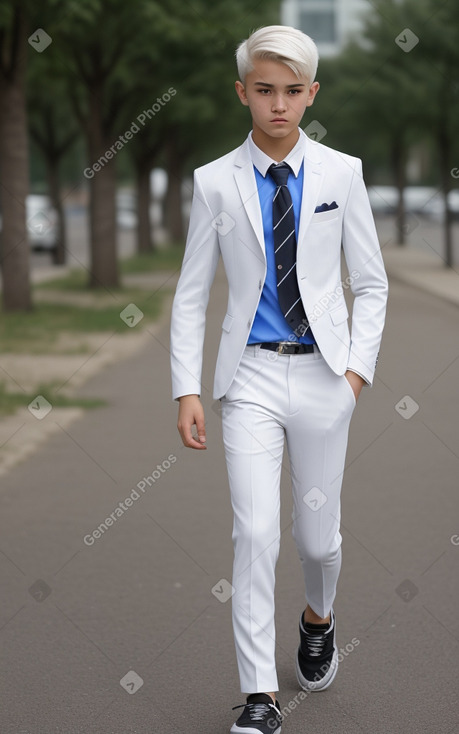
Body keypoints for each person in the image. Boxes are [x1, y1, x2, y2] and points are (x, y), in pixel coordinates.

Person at [170, 24, 388, 734]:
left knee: (316, 541)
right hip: (251, 381)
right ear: (242, 93)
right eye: (263, 91)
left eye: (292, 92)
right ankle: (258, 698)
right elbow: (191, 293)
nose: (277, 105)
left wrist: (355, 372)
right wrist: (187, 388)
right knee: (254, 534)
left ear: (311, 94)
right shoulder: (213, 182)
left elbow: (372, 283)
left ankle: (317, 616)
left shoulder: (341, 174)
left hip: (326, 378)